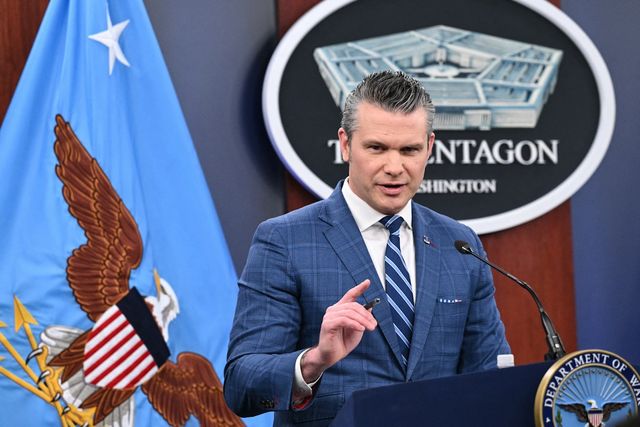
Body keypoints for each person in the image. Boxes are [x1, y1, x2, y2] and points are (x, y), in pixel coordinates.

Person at [224, 71, 510, 426]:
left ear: (429, 148)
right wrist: (315, 360)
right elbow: (241, 384)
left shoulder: (459, 245)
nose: (394, 167)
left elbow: (491, 378)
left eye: (409, 150)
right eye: (377, 148)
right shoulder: (285, 240)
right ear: (345, 144)